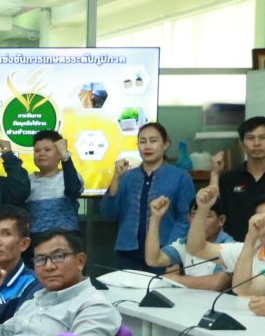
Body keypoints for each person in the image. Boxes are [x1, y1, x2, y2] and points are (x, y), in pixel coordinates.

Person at [100, 121, 192, 273]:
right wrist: (116, 177)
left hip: (163, 254)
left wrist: (172, 252)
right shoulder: (127, 177)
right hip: (128, 254)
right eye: (142, 142)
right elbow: (108, 213)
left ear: (165, 144)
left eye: (153, 141)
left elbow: (185, 220)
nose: (147, 146)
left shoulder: (180, 177)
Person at [144, 188, 232, 285]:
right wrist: (155, 218)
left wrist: (176, 279)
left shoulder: (228, 245)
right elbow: (154, 260)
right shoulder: (185, 243)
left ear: (221, 220)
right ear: (188, 218)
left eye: (207, 216)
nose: (200, 221)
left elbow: (217, 283)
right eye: (195, 215)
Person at [26, 130, 84, 235]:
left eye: (47, 150)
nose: (41, 153)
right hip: (36, 241)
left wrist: (65, 156)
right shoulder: (27, 180)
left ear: (59, 154)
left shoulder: (70, 176)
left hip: (66, 241)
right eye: (37, 150)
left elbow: (73, 190)